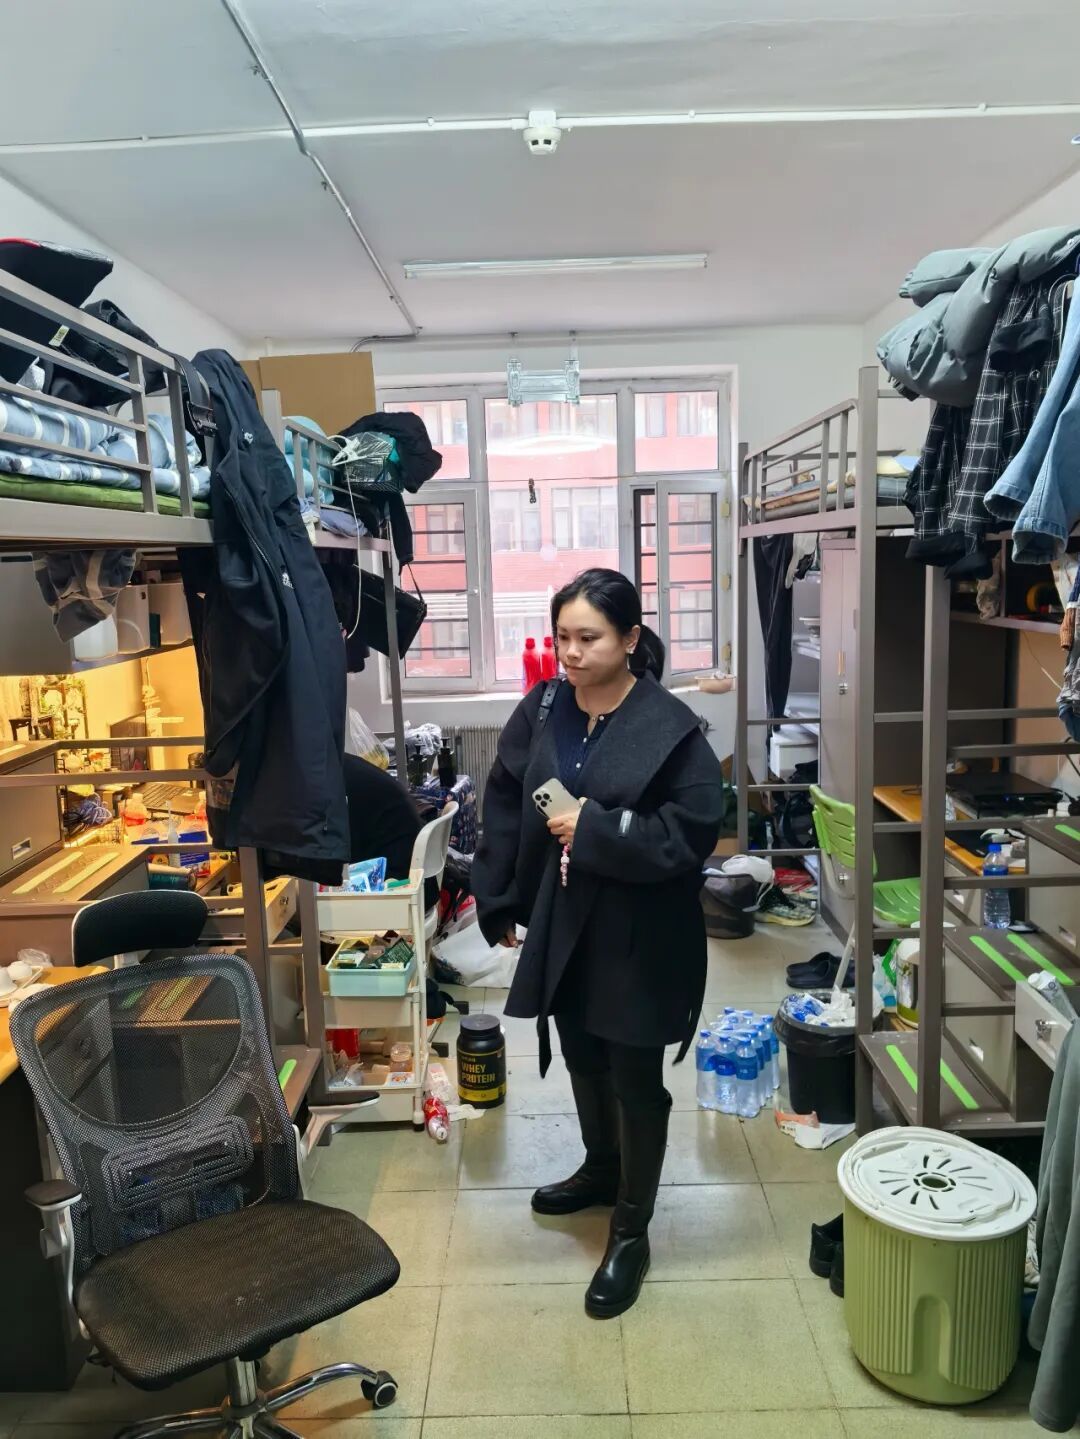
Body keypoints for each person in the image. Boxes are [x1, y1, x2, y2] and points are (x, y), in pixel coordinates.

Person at [472, 568, 724, 1318]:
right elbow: (506, 798)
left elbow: (692, 831)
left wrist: (600, 829)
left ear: (630, 639)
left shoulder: (670, 727)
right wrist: (500, 895)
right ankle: (601, 1167)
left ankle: (631, 1230)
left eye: (589, 638)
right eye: (563, 638)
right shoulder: (546, 706)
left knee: (634, 1074)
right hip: (567, 918)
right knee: (582, 1049)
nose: (572, 653)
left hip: (641, 928)